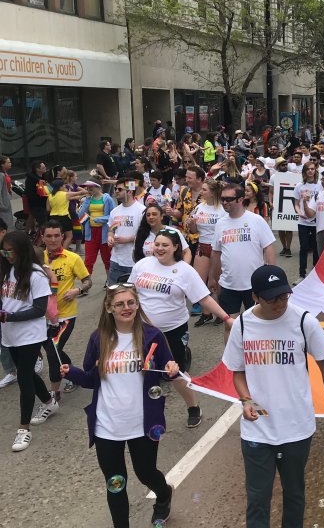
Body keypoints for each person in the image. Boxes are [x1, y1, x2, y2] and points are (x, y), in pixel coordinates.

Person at [222, 265, 324, 528]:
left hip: (296, 428)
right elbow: (238, 372)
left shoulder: (303, 321)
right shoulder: (242, 325)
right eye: (272, 298)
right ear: (254, 296)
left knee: (294, 495)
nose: (280, 303)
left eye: (284, 295)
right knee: (257, 498)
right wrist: (246, 401)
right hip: (257, 428)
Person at [60, 283, 178, 527]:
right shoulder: (98, 338)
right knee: (115, 483)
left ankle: (163, 495)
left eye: (131, 303)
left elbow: (167, 372)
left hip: (142, 422)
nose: (127, 308)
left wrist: (172, 370)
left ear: (137, 304)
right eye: (120, 304)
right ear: (109, 307)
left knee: (146, 473)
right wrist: (71, 372)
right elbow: (93, 379)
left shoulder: (152, 335)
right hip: (107, 424)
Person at [130, 228, 231, 428]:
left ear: (176, 247)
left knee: (175, 373)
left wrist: (226, 318)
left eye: (165, 245)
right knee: (141, 371)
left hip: (172, 331)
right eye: (156, 244)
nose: (159, 248)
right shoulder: (142, 265)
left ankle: (193, 407)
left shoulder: (185, 271)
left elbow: (203, 298)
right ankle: (143, 413)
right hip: (142, 330)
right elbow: (130, 293)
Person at [1, 231, 55, 452]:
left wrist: (10, 316)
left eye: (9, 250)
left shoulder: (36, 275)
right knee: (28, 374)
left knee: (24, 377)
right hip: (10, 335)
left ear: (22, 250)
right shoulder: (7, 270)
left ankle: (24, 429)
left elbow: (40, 309)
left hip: (30, 336)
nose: (5, 254)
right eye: (3, 250)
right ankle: (50, 403)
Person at [209, 184, 277, 327]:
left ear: (240, 200)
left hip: (253, 284)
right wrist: (212, 278)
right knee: (230, 326)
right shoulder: (220, 224)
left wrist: (271, 277)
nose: (224, 202)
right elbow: (216, 253)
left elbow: (269, 248)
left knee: (256, 324)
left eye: (229, 199)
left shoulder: (256, 220)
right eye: (222, 199)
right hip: (228, 284)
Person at [41, 220, 92, 400]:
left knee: (52, 351)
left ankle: (54, 394)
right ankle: (73, 373)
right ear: (42, 237)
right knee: (53, 349)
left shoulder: (72, 258)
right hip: (43, 316)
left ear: (62, 237)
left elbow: (88, 281)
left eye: (57, 235)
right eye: (49, 236)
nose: (53, 240)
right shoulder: (39, 258)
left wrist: (77, 290)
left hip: (66, 316)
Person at [187, 179, 228, 326]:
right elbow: (194, 231)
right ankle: (206, 313)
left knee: (216, 282)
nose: (201, 192)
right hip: (202, 245)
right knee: (200, 281)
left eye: (204, 190)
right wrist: (191, 225)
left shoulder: (223, 209)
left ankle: (219, 312)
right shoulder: (199, 207)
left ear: (212, 192)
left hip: (219, 248)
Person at [106, 178, 146, 285]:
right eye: (115, 189)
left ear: (129, 191)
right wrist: (110, 238)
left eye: (119, 189)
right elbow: (111, 230)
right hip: (115, 260)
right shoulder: (115, 211)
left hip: (133, 262)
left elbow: (145, 235)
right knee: (113, 294)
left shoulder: (141, 210)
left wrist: (127, 239)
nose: (116, 191)